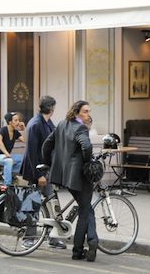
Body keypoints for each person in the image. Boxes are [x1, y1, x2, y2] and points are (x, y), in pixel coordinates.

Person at [42, 100, 97, 262]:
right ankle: (78, 250)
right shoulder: (80, 128)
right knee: (85, 212)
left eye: (89, 111)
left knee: (86, 208)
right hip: (78, 176)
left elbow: (47, 145)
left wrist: (48, 163)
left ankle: (93, 241)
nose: (88, 114)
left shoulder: (62, 124)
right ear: (76, 112)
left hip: (64, 175)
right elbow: (86, 147)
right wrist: (88, 162)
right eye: (85, 111)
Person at [20, 96, 66, 249]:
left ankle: (53, 237)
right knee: (33, 203)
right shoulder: (35, 124)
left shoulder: (46, 122)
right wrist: (39, 175)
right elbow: (32, 152)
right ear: (52, 109)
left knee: (52, 203)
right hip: (36, 171)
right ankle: (29, 238)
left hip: (45, 170)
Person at [0, 112, 25, 186]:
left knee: (24, 158)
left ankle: (6, 173)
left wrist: (23, 129)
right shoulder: (2, 130)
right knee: (9, 161)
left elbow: (25, 140)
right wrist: (6, 153)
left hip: (7, 156)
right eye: (16, 120)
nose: (18, 122)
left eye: (18, 120)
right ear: (10, 122)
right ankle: (7, 185)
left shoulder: (15, 132)